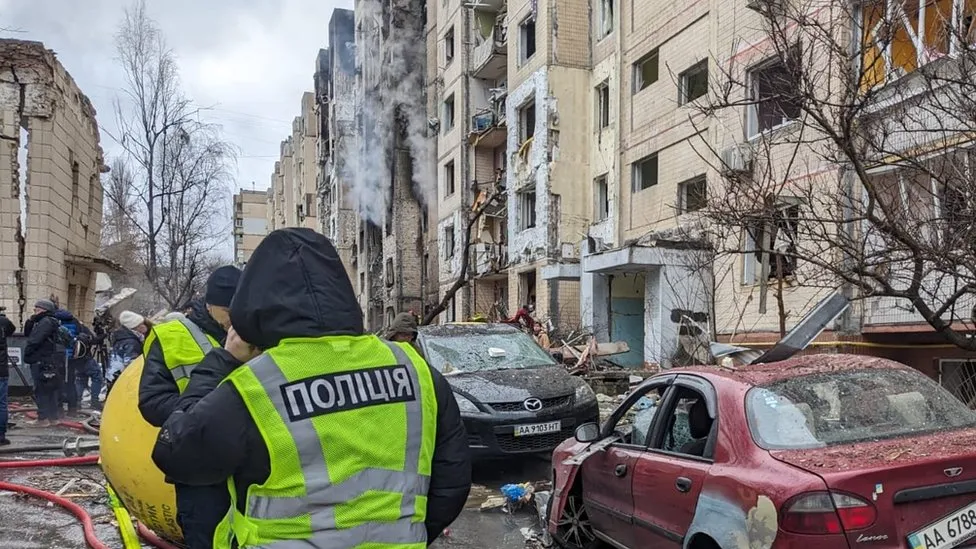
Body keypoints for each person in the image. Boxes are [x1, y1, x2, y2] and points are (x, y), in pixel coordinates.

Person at [152, 228, 471, 548]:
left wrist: (222, 359)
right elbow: (451, 482)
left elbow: (175, 453)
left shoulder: (256, 386)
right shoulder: (414, 369)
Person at [139, 266, 241, 549]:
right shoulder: (170, 336)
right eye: (227, 311)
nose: (234, 319)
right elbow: (152, 403)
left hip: (244, 465)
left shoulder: (253, 334)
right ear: (209, 304)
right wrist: (210, 410)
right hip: (199, 470)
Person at [23, 299, 62, 426]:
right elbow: (27, 333)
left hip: (41, 360)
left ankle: (43, 418)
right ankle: (53, 417)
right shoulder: (49, 321)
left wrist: (28, 353)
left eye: (36, 309)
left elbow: (34, 340)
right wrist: (30, 321)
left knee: (41, 390)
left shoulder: (45, 322)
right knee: (50, 389)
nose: (34, 311)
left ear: (43, 310)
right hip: (49, 360)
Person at [54, 308, 92, 416]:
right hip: (72, 357)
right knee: (71, 383)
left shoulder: (55, 322)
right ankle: (73, 408)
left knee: (59, 384)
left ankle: (59, 409)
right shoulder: (75, 322)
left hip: (60, 357)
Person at [105, 310, 150, 393]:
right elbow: (131, 364)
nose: (144, 326)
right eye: (141, 324)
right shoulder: (131, 342)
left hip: (113, 377)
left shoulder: (120, 338)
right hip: (123, 381)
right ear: (134, 326)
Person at [0, 307, 15, 445]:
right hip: (1, 369)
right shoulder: (4, 322)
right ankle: (1, 435)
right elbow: (12, 329)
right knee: (2, 404)